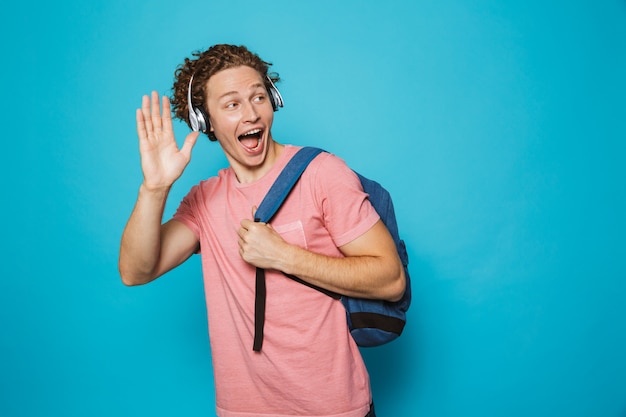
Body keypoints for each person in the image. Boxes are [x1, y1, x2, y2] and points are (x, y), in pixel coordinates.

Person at [119, 44, 405, 417]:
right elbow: (135, 271)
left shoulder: (323, 174)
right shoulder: (205, 199)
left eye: (258, 97)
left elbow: (390, 279)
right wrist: (154, 188)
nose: (252, 113)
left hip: (333, 407)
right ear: (204, 120)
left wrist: (285, 255)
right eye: (232, 104)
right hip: (243, 410)